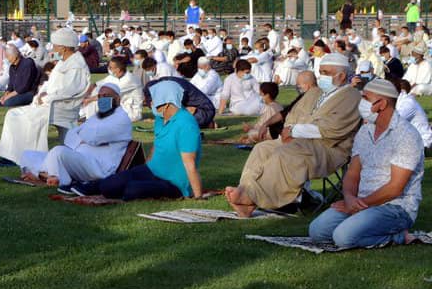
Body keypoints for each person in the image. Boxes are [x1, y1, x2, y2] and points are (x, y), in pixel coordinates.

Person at [225, 53, 362, 216]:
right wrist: (289, 131)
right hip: (297, 140)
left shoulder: (351, 97)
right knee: (262, 149)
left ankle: (250, 198)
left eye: (326, 73)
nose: (321, 76)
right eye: (321, 72)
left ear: (342, 75)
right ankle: (245, 190)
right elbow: (292, 116)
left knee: (285, 154)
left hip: (329, 148)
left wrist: (294, 131)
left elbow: (333, 129)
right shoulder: (315, 93)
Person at [309, 78, 424, 249]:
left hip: (395, 207)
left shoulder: (406, 135)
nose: (361, 102)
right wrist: (349, 198)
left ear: (382, 104)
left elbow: (395, 188)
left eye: (365, 98)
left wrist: (357, 206)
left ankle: (399, 236)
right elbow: (353, 174)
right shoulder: (366, 130)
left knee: (343, 237)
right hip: (361, 202)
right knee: (317, 232)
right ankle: (365, 227)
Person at [72, 80, 203, 200]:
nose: (150, 104)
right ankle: (86, 187)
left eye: (154, 100)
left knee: (132, 190)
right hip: (152, 170)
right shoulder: (160, 119)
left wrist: (198, 196)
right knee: (110, 185)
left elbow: (189, 163)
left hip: (173, 183)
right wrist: (144, 167)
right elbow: (157, 147)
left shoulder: (186, 125)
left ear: (167, 103)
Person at [0, 28, 90, 164]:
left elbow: (68, 91)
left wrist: (46, 98)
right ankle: (14, 154)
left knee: (24, 118)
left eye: (55, 46)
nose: (53, 49)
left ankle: (32, 157)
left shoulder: (76, 65)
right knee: (12, 114)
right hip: (49, 102)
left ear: (64, 48)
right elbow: (49, 84)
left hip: (60, 106)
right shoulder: (64, 61)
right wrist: (40, 95)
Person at [19, 83, 133, 187]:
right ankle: (45, 175)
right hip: (78, 158)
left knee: (58, 152)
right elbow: (70, 135)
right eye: (100, 96)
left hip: (97, 167)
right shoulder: (98, 116)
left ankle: (54, 177)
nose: (102, 99)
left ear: (118, 98)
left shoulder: (122, 119)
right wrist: (85, 137)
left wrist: (83, 135)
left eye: (107, 96)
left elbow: (93, 138)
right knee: (27, 154)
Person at [82, 56, 144, 122]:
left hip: (131, 111)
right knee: (94, 91)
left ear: (118, 69)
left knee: (97, 98)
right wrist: (84, 94)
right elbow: (96, 84)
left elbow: (107, 94)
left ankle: (89, 119)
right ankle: (86, 116)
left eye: (110, 67)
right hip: (119, 106)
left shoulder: (129, 79)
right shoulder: (113, 76)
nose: (108, 68)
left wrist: (88, 100)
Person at [143, 76, 216, 129]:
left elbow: (175, 111)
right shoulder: (165, 85)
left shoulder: (174, 87)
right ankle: (205, 123)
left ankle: (208, 123)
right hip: (196, 109)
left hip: (204, 110)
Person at [396, 79, 432, 149]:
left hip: (422, 143)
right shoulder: (403, 101)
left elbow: (393, 120)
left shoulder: (408, 103)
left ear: (402, 91)